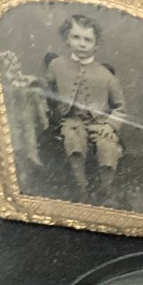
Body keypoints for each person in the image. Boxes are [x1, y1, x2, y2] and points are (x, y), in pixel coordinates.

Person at [45, 14, 125, 199]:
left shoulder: (106, 75)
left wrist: (110, 125)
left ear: (96, 45)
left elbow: (120, 107)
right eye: (76, 37)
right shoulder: (57, 65)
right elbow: (46, 87)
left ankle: (107, 188)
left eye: (87, 40)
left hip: (99, 123)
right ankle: (81, 185)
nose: (81, 44)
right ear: (67, 39)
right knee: (74, 141)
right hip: (71, 119)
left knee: (109, 147)